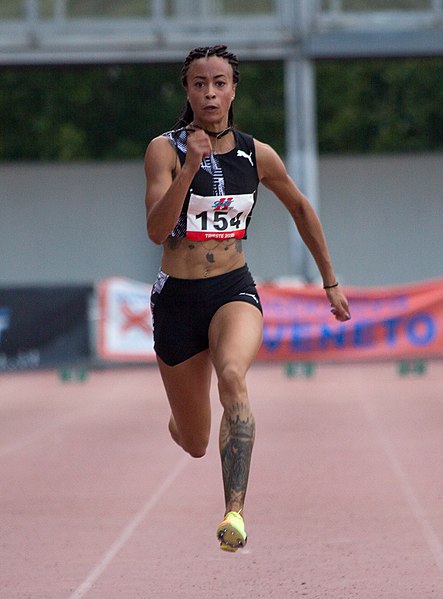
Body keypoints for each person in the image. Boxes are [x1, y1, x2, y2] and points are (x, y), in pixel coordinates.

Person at [144, 44, 350, 552]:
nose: (210, 93)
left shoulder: (256, 154)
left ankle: (234, 513)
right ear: (187, 92)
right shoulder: (164, 150)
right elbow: (155, 230)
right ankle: (180, 415)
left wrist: (329, 280)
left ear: (234, 90)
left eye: (219, 83)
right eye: (199, 84)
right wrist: (190, 169)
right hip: (177, 299)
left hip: (232, 288)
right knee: (194, 441)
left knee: (233, 376)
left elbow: (301, 209)